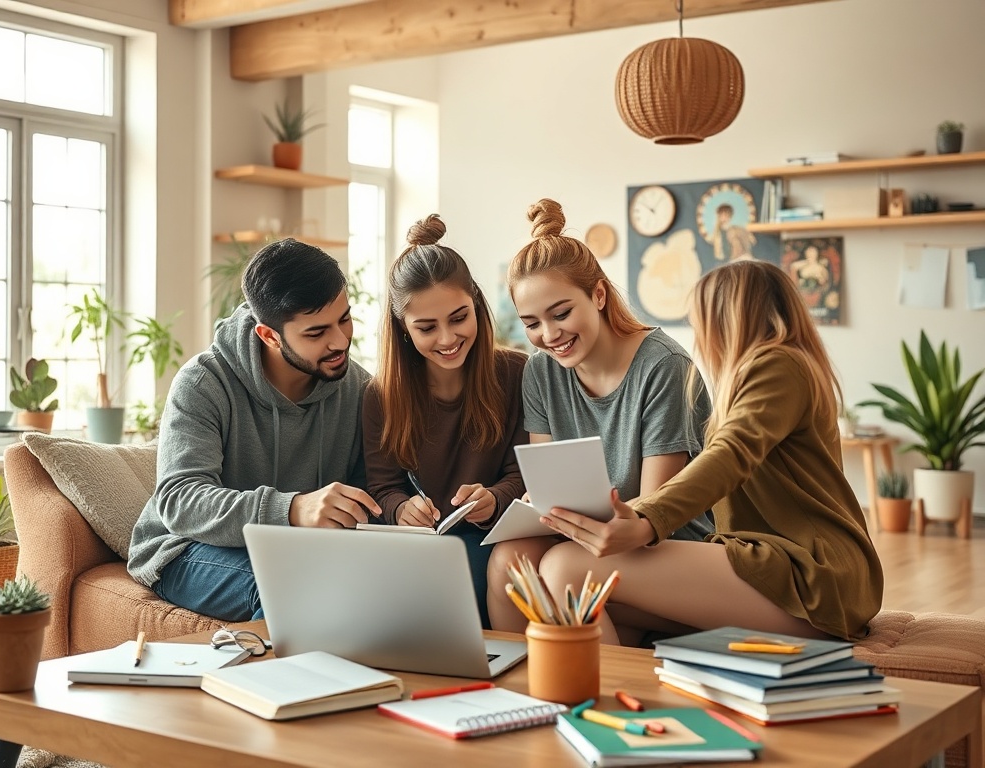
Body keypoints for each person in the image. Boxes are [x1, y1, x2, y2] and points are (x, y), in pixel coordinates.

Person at [536, 259, 884, 644]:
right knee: (600, 603)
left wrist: (646, 518)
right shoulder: (769, 372)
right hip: (780, 563)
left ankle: (593, 700)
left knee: (565, 568)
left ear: (728, 318)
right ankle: (622, 695)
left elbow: (729, 454)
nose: (700, 337)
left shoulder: (779, 366)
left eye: (701, 321)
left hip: (814, 574)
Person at [486, 198, 714, 638]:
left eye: (561, 313)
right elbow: (550, 489)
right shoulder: (540, 370)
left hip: (660, 547)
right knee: (507, 563)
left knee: (560, 570)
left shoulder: (663, 366)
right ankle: (522, 699)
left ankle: (604, 697)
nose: (549, 336)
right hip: (584, 541)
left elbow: (653, 512)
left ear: (598, 294)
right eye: (531, 323)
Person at [127, 238, 380, 621]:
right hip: (187, 548)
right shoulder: (203, 384)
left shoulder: (359, 389)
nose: (340, 340)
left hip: (304, 551)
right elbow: (181, 501)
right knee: (286, 584)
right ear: (269, 335)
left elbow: (370, 489)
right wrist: (292, 509)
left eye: (344, 319)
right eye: (316, 333)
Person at [363, 214, 528, 627]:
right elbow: (381, 487)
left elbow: (526, 475)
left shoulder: (517, 373)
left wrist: (493, 498)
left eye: (459, 318)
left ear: (476, 303)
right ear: (403, 329)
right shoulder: (381, 395)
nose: (448, 339)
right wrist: (401, 509)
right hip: (421, 548)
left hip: (494, 541)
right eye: (426, 328)